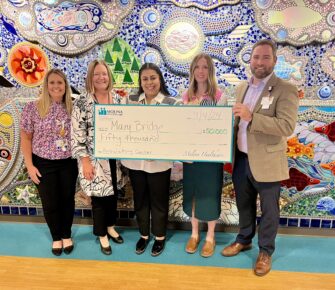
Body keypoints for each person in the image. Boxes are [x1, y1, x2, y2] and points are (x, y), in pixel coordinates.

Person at [221, 39, 299, 276]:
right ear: (250, 60)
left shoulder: (285, 89)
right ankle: (244, 238)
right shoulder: (242, 88)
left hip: (267, 161)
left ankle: (265, 251)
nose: (260, 62)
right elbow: (237, 122)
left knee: (269, 210)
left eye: (266, 57)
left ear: (274, 61)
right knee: (243, 205)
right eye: (256, 57)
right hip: (242, 159)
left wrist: (252, 116)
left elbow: (286, 126)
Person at [122, 63, 178, 257]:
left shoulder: (172, 103)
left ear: (160, 79)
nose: (149, 82)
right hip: (135, 163)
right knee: (140, 200)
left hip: (160, 163)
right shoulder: (130, 100)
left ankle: (160, 236)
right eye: (145, 79)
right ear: (140, 82)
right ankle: (144, 234)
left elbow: (175, 133)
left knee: (159, 201)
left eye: (153, 78)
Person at [20, 68, 78, 256]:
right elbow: (26, 138)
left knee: (67, 200)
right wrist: (29, 166)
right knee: (50, 202)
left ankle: (66, 234)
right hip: (43, 162)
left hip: (68, 162)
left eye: (59, 82)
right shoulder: (33, 108)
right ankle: (56, 237)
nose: (55, 86)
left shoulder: (73, 106)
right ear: (46, 85)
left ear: (65, 86)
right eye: (52, 82)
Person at [71, 60, 125, 255]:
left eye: (104, 74)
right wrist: (85, 161)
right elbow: (77, 134)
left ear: (109, 76)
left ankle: (110, 226)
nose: (101, 77)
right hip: (93, 159)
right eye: (96, 74)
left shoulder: (118, 100)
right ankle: (102, 234)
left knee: (112, 196)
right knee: (99, 200)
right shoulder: (83, 102)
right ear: (90, 78)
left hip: (114, 158)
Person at [182, 53, 226, 258]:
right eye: (197, 67)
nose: (201, 71)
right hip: (191, 157)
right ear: (192, 71)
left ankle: (210, 236)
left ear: (210, 71)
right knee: (193, 194)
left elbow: (224, 128)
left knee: (210, 194)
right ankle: (194, 233)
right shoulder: (186, 96)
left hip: (211, 157)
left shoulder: (219, 96)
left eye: (205, 67)